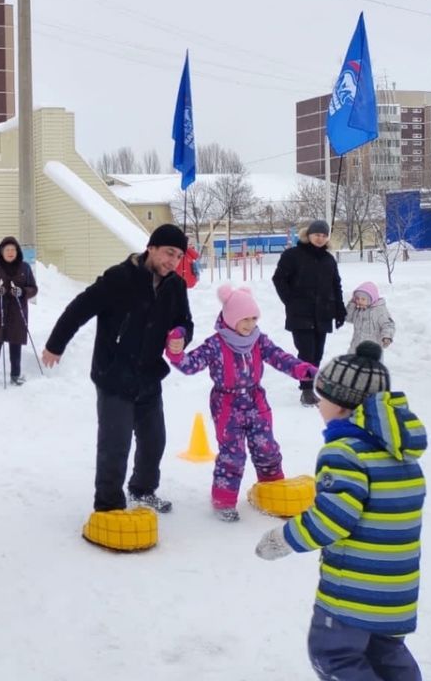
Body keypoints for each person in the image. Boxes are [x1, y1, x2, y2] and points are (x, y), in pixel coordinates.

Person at [255, 342, 426, 681]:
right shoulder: (400, 454)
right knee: (385, 654)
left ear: (344, 405)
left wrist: (284, 538)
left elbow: (333, 518)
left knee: (334, 655)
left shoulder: (344, 453)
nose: (319, 402)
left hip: (353, 591)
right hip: (396, 591)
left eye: (324, 396)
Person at [42, 223, 194, 514]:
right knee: (115, 443)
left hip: (149, 374)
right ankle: (108, 505)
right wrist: (55, 344)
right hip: (114, 373)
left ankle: (142, 489)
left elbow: (184, 321)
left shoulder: (175, 285)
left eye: (178, 257)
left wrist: (181, 336)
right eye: (168, 253)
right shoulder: (120, 278)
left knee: (154, 440)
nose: (173, 262)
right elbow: (80, 308)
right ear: (151, 248)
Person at [165, 284, 316, 521]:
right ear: (230, 318)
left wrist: (300, 368)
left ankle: (272, 491)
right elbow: (190, 364)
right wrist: (176, 353)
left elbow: (278, 356)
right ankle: (224, 501)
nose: (250, 324)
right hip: (227, 405)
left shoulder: (258, 340)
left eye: (254, 318)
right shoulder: (215, 344)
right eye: (244, 319)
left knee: (267, 448)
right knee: (232, 455)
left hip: (256, 401)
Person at [273, 219, 344, 407]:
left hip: (323, 313)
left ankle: (311, 385)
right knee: (306, 351)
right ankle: (306, 390)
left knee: (318, 353)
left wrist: (339, 309)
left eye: (323, 235)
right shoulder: (293, 255)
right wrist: (290, 301)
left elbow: (336, 285)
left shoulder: (328, 259)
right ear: (308, 235)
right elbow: (279, 279)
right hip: (301, 314)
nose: (320, 238)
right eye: (316, 234)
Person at [0, 236, 38, 386]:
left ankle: (15, 375)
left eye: (13, 249)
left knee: (15, 342)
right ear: (1, 252)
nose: (10, 252)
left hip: (17, 311)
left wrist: (22, 291)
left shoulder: (25, 267)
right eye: (7, 250)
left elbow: (33, 288)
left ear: (17, 251)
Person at [344, 281, 395, 352]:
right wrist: (352, 304)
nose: (359, 301)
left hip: (373, 349)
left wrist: (387, 336)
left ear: (371, 299)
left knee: (371, 363)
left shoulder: (379, 310)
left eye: (363, 299)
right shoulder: (358, 309)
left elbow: (388, 324)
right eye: (357, 298)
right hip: (356, 347)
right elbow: (347, 318)